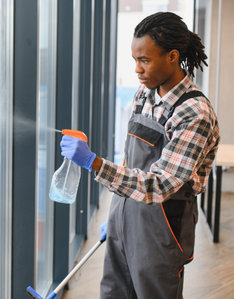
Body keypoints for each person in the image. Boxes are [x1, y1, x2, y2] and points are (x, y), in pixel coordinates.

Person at [60, 12, 220, 299]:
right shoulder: (144, 94)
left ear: (172, 56)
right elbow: (131, 161)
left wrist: (93, 163)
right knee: (114, 292)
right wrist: (120, 214)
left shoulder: (193, 113)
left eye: (144, 60)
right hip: (126, 215)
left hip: (162, 229)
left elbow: (160, 185)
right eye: (135, 60)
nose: (137, 69)